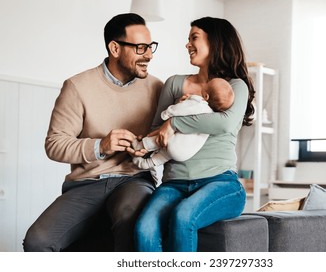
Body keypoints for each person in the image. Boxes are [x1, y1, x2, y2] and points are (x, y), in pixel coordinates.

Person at [23, 13, 163, 252]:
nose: (148, 55)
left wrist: (148, 145)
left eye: (150, 47)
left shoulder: (157, 88)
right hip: (86, 184)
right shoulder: (77, 87)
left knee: (131, 219)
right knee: (38, 242)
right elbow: (54, 144)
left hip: (134, 179)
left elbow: (165, 139)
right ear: (115, 48)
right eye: (140, 48)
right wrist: (100, 146)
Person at [134, 16, 256, 252]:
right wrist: (146, 142)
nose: (187, 44)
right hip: (175, 183)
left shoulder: (235, 85)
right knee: (144, 227)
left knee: (184, 215)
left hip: (221, 182)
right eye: (188, 39)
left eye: (194, 38)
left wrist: (177, 121)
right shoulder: (174, 84)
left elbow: (225, 124)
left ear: (216, 42)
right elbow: (156, 131)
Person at [132, 77, 235, 169]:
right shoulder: (212, 118)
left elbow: (181, 109)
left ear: (206, 96)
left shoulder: (199, 103)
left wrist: (167, 113)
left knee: (160, 139)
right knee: (164, 156)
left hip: (173, 143)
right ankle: (146, 163)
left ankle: (139, 146)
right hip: (185, 154)